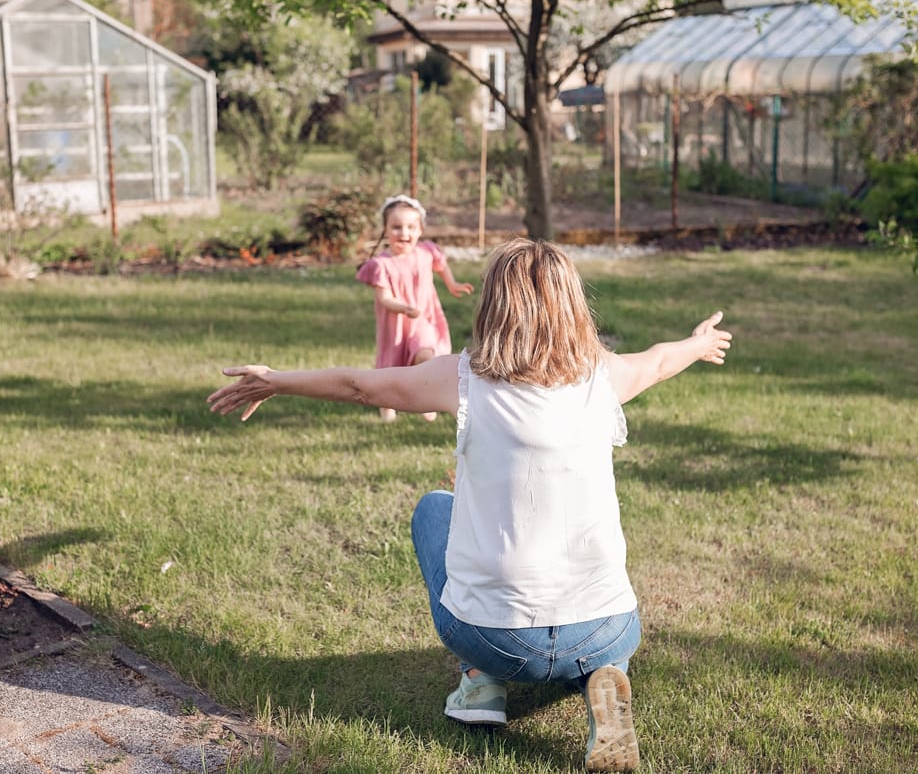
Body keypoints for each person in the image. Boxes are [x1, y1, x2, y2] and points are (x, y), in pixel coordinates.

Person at [208, 238, 732, 772]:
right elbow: (663, 360)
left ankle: (482, 683)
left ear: (494, 305)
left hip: (495, 638)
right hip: (607, 627)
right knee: (600, 632)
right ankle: (605, 679)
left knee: (436, 509)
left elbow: (361, 386)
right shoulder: (606, 375)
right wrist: (697, 343)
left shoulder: (464, 378)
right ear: (573, 303)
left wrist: (277, 381)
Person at [356, 194, 473, 422]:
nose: (404, 233)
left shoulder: (426, 252)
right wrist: (402, 307)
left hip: (424, 319)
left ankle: (426, 399)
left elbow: (441, 267)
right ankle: (387, 410)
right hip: (397, 324)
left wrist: (452, 284)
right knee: (392, 366)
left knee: (426, 354)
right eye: (397, 227)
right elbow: (384, 298)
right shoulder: (382, 265)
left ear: (420, 229)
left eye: (411, 227)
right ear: (386, 230)